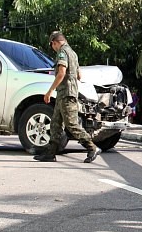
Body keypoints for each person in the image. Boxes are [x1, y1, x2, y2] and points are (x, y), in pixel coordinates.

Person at [33, 31, 100, 163]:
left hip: (66, 94)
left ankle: (92, 147)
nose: (53, 48)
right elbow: (79, 75)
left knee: (71, 124)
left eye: (52, 45)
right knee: (55, 124)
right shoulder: (73, 53)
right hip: (65, 93)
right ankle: (50, 153)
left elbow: (61, 73)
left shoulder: (62, 52)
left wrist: (49, 91)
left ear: (55, 42)